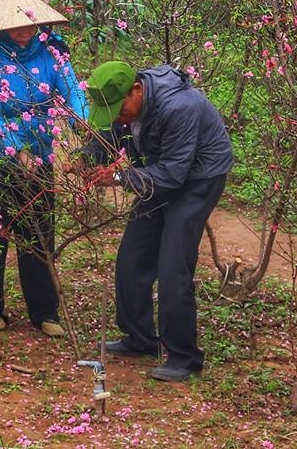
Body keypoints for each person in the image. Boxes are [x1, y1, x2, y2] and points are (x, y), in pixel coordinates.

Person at [81, 61, 232, 382]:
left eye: (120, 109)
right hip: (159, 173)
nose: (120, 117)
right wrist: (87, 160)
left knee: (172, 265)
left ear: (137, 90)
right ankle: (140, 338)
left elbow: (174, 174)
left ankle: (184, 356)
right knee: (133, 254)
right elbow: (110, 130)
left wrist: (119, 176)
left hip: (197, 179)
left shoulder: (180, 107)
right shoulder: (129, 103)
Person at [0, 0, 88, 337]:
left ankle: (44, 312)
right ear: (2, 25)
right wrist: (16, 148)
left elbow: (73, 91)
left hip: (40, 155)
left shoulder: (52, 52)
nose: (23, 28)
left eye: (28, 22)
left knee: (39, 235)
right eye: (15, 23)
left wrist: (83, 125)